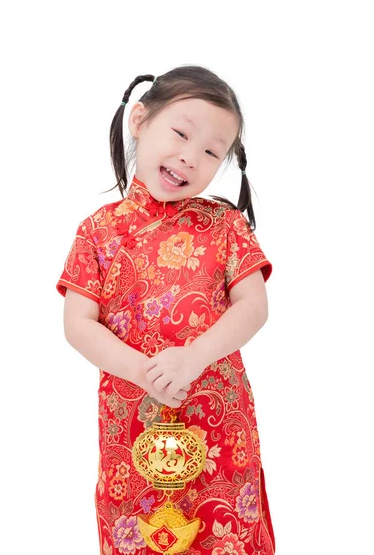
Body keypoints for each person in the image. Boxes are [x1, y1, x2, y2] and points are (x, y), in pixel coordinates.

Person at [56, 65, 276, 555]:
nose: (189, 157)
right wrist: (143, 371)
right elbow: (77, 323)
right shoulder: (98, 230)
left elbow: (253, 306)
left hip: (219, 427)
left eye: (211, 152)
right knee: (138, 534)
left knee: (226, 537)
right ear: (140, 120)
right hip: (131, 424)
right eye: (180, 132)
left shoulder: (224, 223)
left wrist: (191, 358)